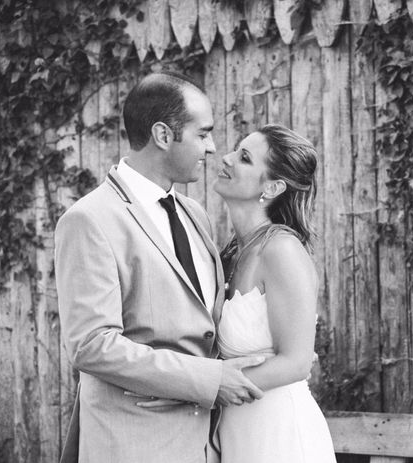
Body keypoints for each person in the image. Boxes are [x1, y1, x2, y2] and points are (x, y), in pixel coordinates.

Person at [54, 71, 265, 463]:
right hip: (135, 445)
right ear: (163, 135)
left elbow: (202, 328)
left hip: (207, 445)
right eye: (203, 134)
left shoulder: (194, 213)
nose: (212, 147)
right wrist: (205, 380)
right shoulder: (89, 219)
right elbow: (92, 345)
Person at [212, 124, 336, 462]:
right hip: (238, 432)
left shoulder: (281, 249)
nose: (226, 158)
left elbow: (296, 362)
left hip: (280, 435)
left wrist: (207, 388)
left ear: (272, 187)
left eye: (244, 157)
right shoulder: (230, 252)